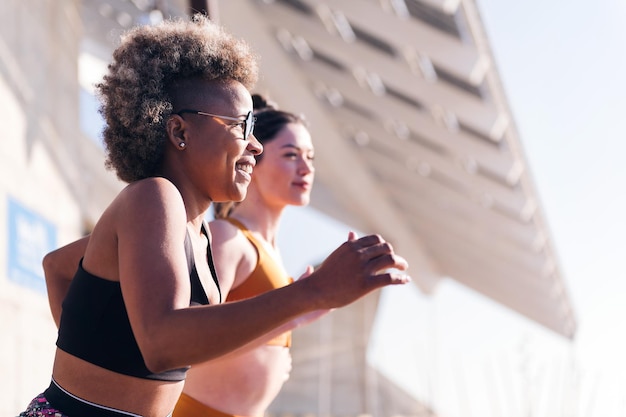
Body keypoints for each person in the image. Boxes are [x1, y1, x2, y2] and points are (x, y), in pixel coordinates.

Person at [19, 15, 410, 417]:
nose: (254, 146)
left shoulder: (197, 235)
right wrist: (311, 292)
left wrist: (99, 345)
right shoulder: (154, 197)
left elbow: (59, 267)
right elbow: (162, 343)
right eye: (242, 126)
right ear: (179, 132)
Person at [174, 94, 321, 417]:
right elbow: (179, 347)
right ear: (252, 158)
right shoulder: (229, 239)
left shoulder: (273, 254)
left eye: (310, 156)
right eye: (291, 155)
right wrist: (292, 316)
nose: (306, 167)